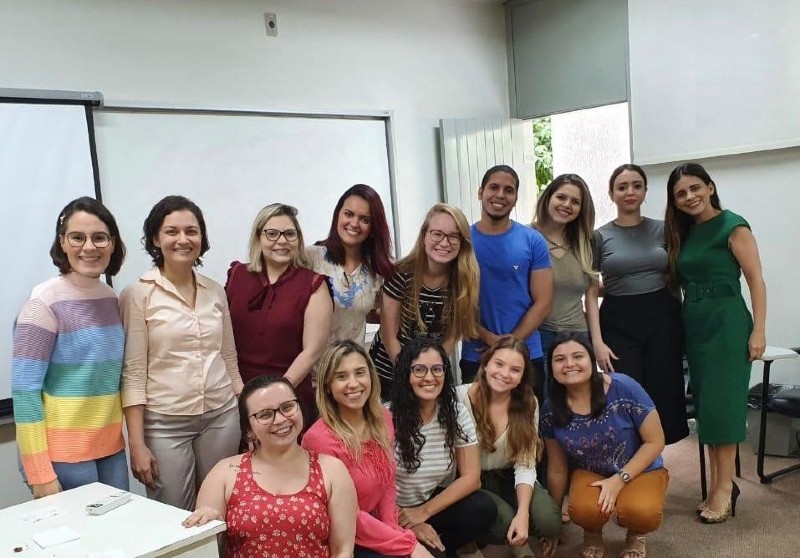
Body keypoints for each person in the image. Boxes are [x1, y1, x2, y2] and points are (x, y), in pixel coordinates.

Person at [120, 195, 243, 510]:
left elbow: (229, 360)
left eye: (192, 231)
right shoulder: (138, 295)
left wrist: (248, 414)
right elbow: (133, 373)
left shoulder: (215, 291)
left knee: (221, 509)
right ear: (155, 239)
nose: (183, 239)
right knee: (174, 515)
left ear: (202, 238)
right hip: (165, 422)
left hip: (221, 416)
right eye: (172, 231)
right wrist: (136, 444)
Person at [665, 162, 766, 523]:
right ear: (674, 203)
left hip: (727, 323)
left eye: (695, 188)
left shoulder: (733, 225)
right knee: (708, 409)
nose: (689, 197)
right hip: (696, 324)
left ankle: (725, 487)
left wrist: (759, 330)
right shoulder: (684, 234)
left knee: (723, 409)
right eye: (680, 194)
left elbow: (755, 279)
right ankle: (719, 486)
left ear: (710, 187)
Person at [12, 197, 128, 497]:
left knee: (120, 540)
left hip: (111, 449)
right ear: (63, 242)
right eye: (77, 237)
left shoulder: (110, 298)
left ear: (112, 243)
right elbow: (25, 395)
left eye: (99, 237)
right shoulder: (43, 303)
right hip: (63, 455)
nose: (89, 247)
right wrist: (39, 473)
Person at [183, 375, 357, 558]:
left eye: (287, 407)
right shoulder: (225, 472)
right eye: (265, 415)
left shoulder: (332, 470)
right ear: (248, 428)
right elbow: (205, 548)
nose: (280, 419)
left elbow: (343, 551)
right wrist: (209, 525)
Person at [587, 164, 688, 445]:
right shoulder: (599, 236)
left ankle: (658, 469)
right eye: (622, 187)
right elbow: (592, 290)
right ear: (611, 194)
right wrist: (596, 341)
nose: (629, 191)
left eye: (636, 185)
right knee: (625, 394)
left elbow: (675, 278)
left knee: (664, 393)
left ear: (645, 191)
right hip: (618, 322)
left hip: (662, 318)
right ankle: (631, 468)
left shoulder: (665, 229)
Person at [542, 332, 668, 558]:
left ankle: (636, 535)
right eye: (559, 359)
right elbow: (557, 467)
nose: (569, 364)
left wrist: (619, 480)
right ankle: (592, 533)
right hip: (590, 471)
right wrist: (553, 522)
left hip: (639, 468)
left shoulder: (623, 387)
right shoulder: (551, 407)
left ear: (591, 360)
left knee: (641, 511)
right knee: (583, 510)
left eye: (577, 356)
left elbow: (656, 440)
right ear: (551, 366)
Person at [303, 341, 434, 558]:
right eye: (341, 376)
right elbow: (346, 514)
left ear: (371, 377)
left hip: (372, 525)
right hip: (340, 535)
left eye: (360, 373)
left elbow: (387, 483)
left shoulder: (382, 417)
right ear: (327, 385)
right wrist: (406, 544)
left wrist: (394, 529)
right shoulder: (318, 440)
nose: (353, 384)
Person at [390, 338, 497, 557]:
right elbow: (371, 493)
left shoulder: (455, 412)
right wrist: (408, 521)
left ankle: (440, 547)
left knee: (483, 508)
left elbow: (471, 478)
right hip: (391, 511)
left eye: (437, 369)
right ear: (405, 375)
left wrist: (423, 512)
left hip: (430, 504)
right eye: (419, 370)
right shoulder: (387, 417)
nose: (429, 377)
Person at [456, 337, 561, 558]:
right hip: (467, 479)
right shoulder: (460, 398)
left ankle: (517, 532)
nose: (505, 374)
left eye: (515, 369)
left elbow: (525, 463)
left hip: (506, 474)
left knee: (549, 521)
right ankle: (466, 543)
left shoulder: (528, 402)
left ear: (523, 376)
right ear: (485, 365)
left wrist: (523, 514)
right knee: (500, 521)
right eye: (499, 364)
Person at [226, 203, 333, 418]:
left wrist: (275, 397)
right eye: (272, 234)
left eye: (289, 234)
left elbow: (311, 352)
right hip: (233, 394)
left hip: (287, 399)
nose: (281, 241)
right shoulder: (237, 275)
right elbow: (222, 339)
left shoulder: (314, 284)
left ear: (299, 239)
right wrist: (239, 391)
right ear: (259, 238)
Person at [460, 165, 553, 400]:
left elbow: (543, 302)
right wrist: (489, 339)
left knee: (528, 428)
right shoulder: (462, 242)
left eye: (508, 190)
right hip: (477, 353)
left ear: (515, 198)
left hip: (526, 353)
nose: (500, 195)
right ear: (480, 192)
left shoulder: (533, 241)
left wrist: (510, 343)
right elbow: (454, 302)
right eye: (494, 187)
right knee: (479, 428)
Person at [370, 203, 479, 397]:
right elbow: (389, 336)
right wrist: (411, 375)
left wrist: (431, 374)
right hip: (388, 373)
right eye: (437, 233)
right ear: (424, 236)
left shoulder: (463, 282)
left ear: (463, 242)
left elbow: (450, 339)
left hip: (430, 376)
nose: (444, 243)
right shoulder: (401, 274)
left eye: (453, 236)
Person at [307, 184, 395, 346]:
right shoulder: (310, 258)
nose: (354, 223)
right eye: (349, 214)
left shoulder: (376, 270)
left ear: (373, 227)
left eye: (365, 219)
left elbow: (364, 314)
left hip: (352, 365)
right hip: (310, 366)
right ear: (338, 215)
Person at [530, 173, 596, 387]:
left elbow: (592, 294)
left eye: (575, 202)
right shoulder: (526, 236)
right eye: (561, 197)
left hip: (579, 335)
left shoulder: (586, 242)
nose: (567, 205)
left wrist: (598, 341)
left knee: (582, 405)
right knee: (546, 406)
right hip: (539, 335)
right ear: (548, 197)